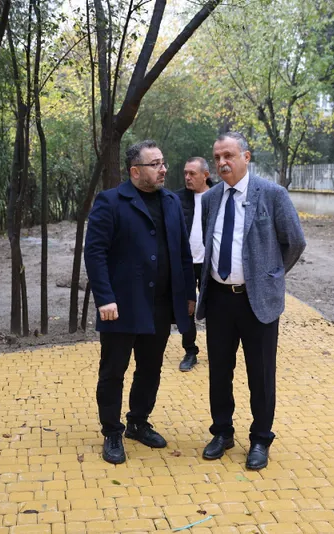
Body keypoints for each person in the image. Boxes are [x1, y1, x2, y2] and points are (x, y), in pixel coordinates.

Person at [196, 132, 306, 470]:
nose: (222, 162)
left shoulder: (272, 194)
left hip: (257, 301)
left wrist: (270, 275)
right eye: (217, 157)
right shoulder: (210, 198)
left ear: (246, 157)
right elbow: (210, 244)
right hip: (219, 300)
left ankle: (260, 438)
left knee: (261, 373)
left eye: (228, 155)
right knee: (219, 371)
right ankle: (222, 432)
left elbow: (295, 242)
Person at [85, 139, 197, 465]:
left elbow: (183, 252)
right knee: (113, 371)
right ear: (135, 171)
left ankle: (138, 422)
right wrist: (104, 298)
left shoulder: (171, 202)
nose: (163, 169)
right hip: (121, 306)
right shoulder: (111, 201)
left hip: (160, 305)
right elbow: (95, 253)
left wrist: (188, 295)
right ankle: (112, 431)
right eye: (155, 164)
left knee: (150, 368)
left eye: (163, 162)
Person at [175, 157, 214, 371]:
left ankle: (218, 350)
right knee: (186, 308)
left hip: (211, 264)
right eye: (185, 173)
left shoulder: (218, 195)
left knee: (215, 308)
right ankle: (190, 351)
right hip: (186, 264)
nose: (187, 177)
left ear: (205, 175)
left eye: (192, 173)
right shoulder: (177, 199)